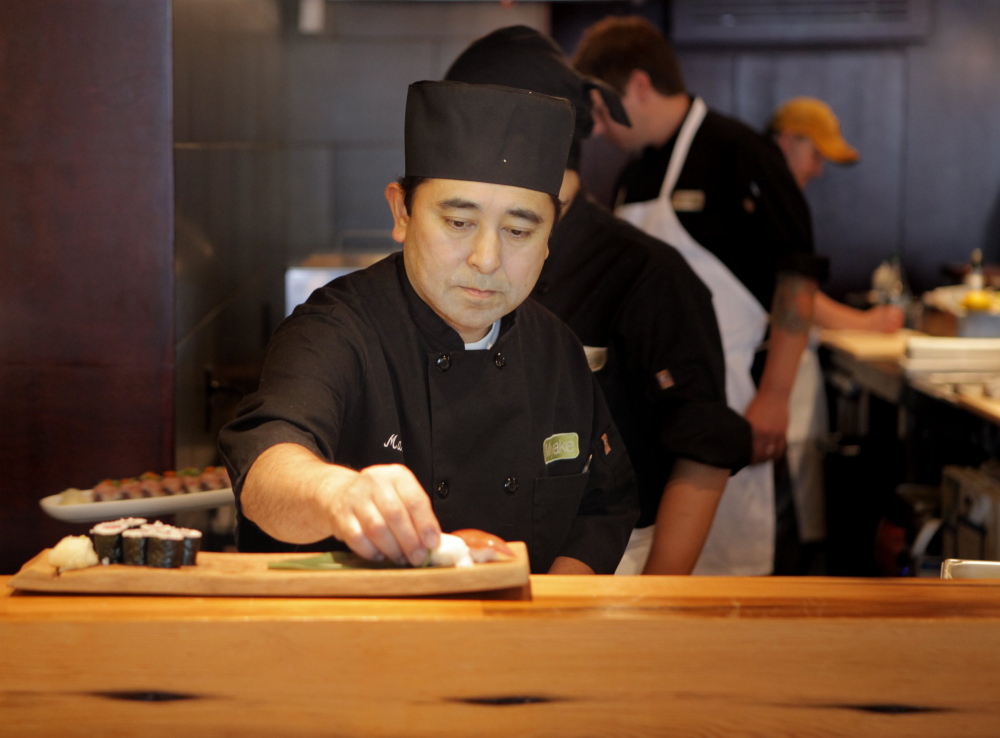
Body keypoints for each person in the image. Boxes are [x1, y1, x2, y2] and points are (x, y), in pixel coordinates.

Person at [218, 80, 639, 575]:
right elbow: (268, 467)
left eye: (519, 231)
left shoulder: (555, 350)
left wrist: (543, 621)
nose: (487, 260)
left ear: (550, 236)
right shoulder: (335, 330)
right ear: (402, 212)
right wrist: (340, 494)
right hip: (357, 642)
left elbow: (602, 507)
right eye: (459, 223)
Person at [444, 26, 751, 575]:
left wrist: (659, 597)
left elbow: (702, 444)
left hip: (616, 561)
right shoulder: (455, 266)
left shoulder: (645, 272)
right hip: (471, 554)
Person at [574, 16, 828, 576]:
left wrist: (777, 394)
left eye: (599, 108)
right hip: (657, 416)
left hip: (742, 400)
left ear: (638, 86)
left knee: (736, 590)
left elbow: (797, 279)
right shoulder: (632, 176)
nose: (596, 128)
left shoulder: (742, 155)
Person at [767, 96, 905, 569]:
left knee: (793, 520)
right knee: (781, 527)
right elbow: (790, 297)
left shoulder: (778, 197)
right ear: (788, 140)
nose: (819, 170)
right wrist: (866, 322)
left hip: (787, 387)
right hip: (769, 388)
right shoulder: (768, 199)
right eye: (816, 155)